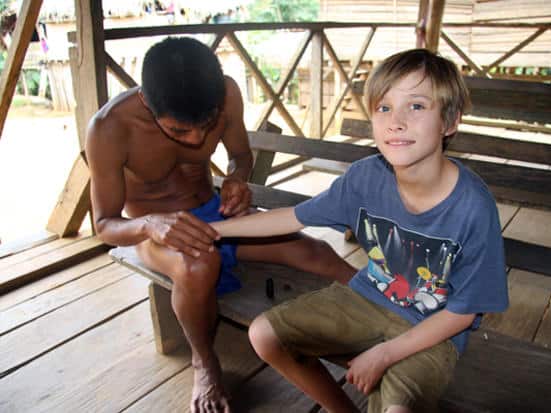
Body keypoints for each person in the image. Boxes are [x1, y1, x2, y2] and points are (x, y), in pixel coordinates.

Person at [210, 49, 509, 412]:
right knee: (263, 334)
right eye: (384, 108)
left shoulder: (473, 207)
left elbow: (463, 312)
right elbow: (295, 217)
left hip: (433, 331)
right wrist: (216, 230)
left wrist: (384, 355)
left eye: (415, 106)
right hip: (366, 299)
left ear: (449, 122)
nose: (395, 121)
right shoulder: (366, 177)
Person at [85, 37, 355, 413]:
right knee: (200, 265)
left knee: (313, 250)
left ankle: (389, 303)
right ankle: (204, 362)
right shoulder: (109, 129)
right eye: (179, 132)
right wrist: (150, 224)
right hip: (157, 232)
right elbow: (104, 225)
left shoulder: (226, 93)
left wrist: (236, 179)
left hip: (218, 217)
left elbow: (241, 156)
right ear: (147, 102)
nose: (196, 140)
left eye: (206, 125)